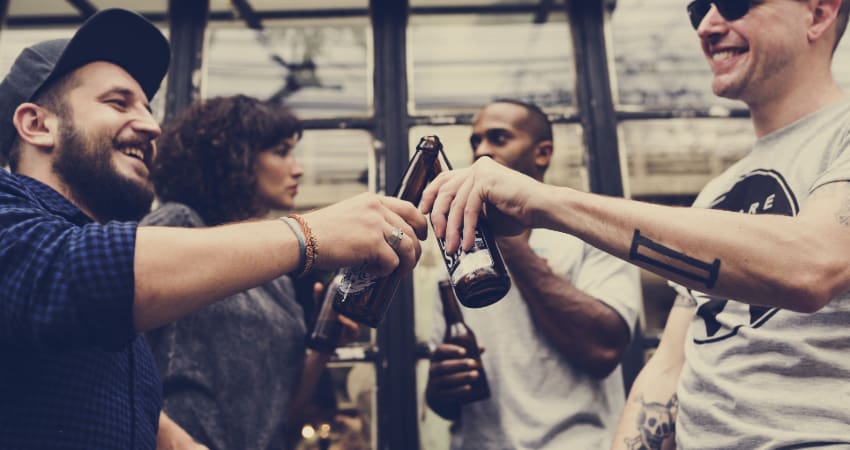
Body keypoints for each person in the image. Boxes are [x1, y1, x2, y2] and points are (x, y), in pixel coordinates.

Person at [422, 0, 850, 448]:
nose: (707, 25)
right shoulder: (716, 194)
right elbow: (671, 366)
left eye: (733, 2)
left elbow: (809, 265)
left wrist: (544, 201)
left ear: (818, 13)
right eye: (697, 10)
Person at [0, 8, 426, 450]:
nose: (151, 125)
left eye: (148, 107)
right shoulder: (22, 223)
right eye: (117, 102)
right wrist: (307, 234)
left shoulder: (121, 337)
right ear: (36, 124)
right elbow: (69, 272)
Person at [141, 95, 359, 450]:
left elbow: (283, 413)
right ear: (235, 157)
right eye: (281, 151)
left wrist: (324, 345)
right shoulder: (179, 226)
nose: (298, 168)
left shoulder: (276, 275)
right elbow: (115, 366)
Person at [424, 99, 642, 449]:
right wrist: (440, 388)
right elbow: (446, 403)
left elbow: (604, 350)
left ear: (542, 153)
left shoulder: (589, 231)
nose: (482, 152)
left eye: (499, 138)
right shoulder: (460, 247)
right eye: (475, 141)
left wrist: (506, 238)